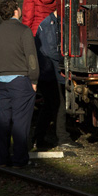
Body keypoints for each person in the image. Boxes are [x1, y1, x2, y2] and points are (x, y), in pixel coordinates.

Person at [0, 0, 40, 167]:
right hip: (21, 81)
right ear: (16, 10)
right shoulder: (23, 31)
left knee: (4, 121)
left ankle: (3, 158)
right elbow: (31, 58)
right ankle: (19, 159)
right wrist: (34, 79)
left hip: (3, 81)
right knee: (21, 121)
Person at [33, 8, 72, 149]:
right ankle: (61, 138)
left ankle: (40, 138)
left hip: (50, 72)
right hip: (50, 73)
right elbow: (51, 51)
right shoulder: (49, 25)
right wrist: (67, 60)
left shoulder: (54, 22)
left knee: (50, 106)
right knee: (56, 105)